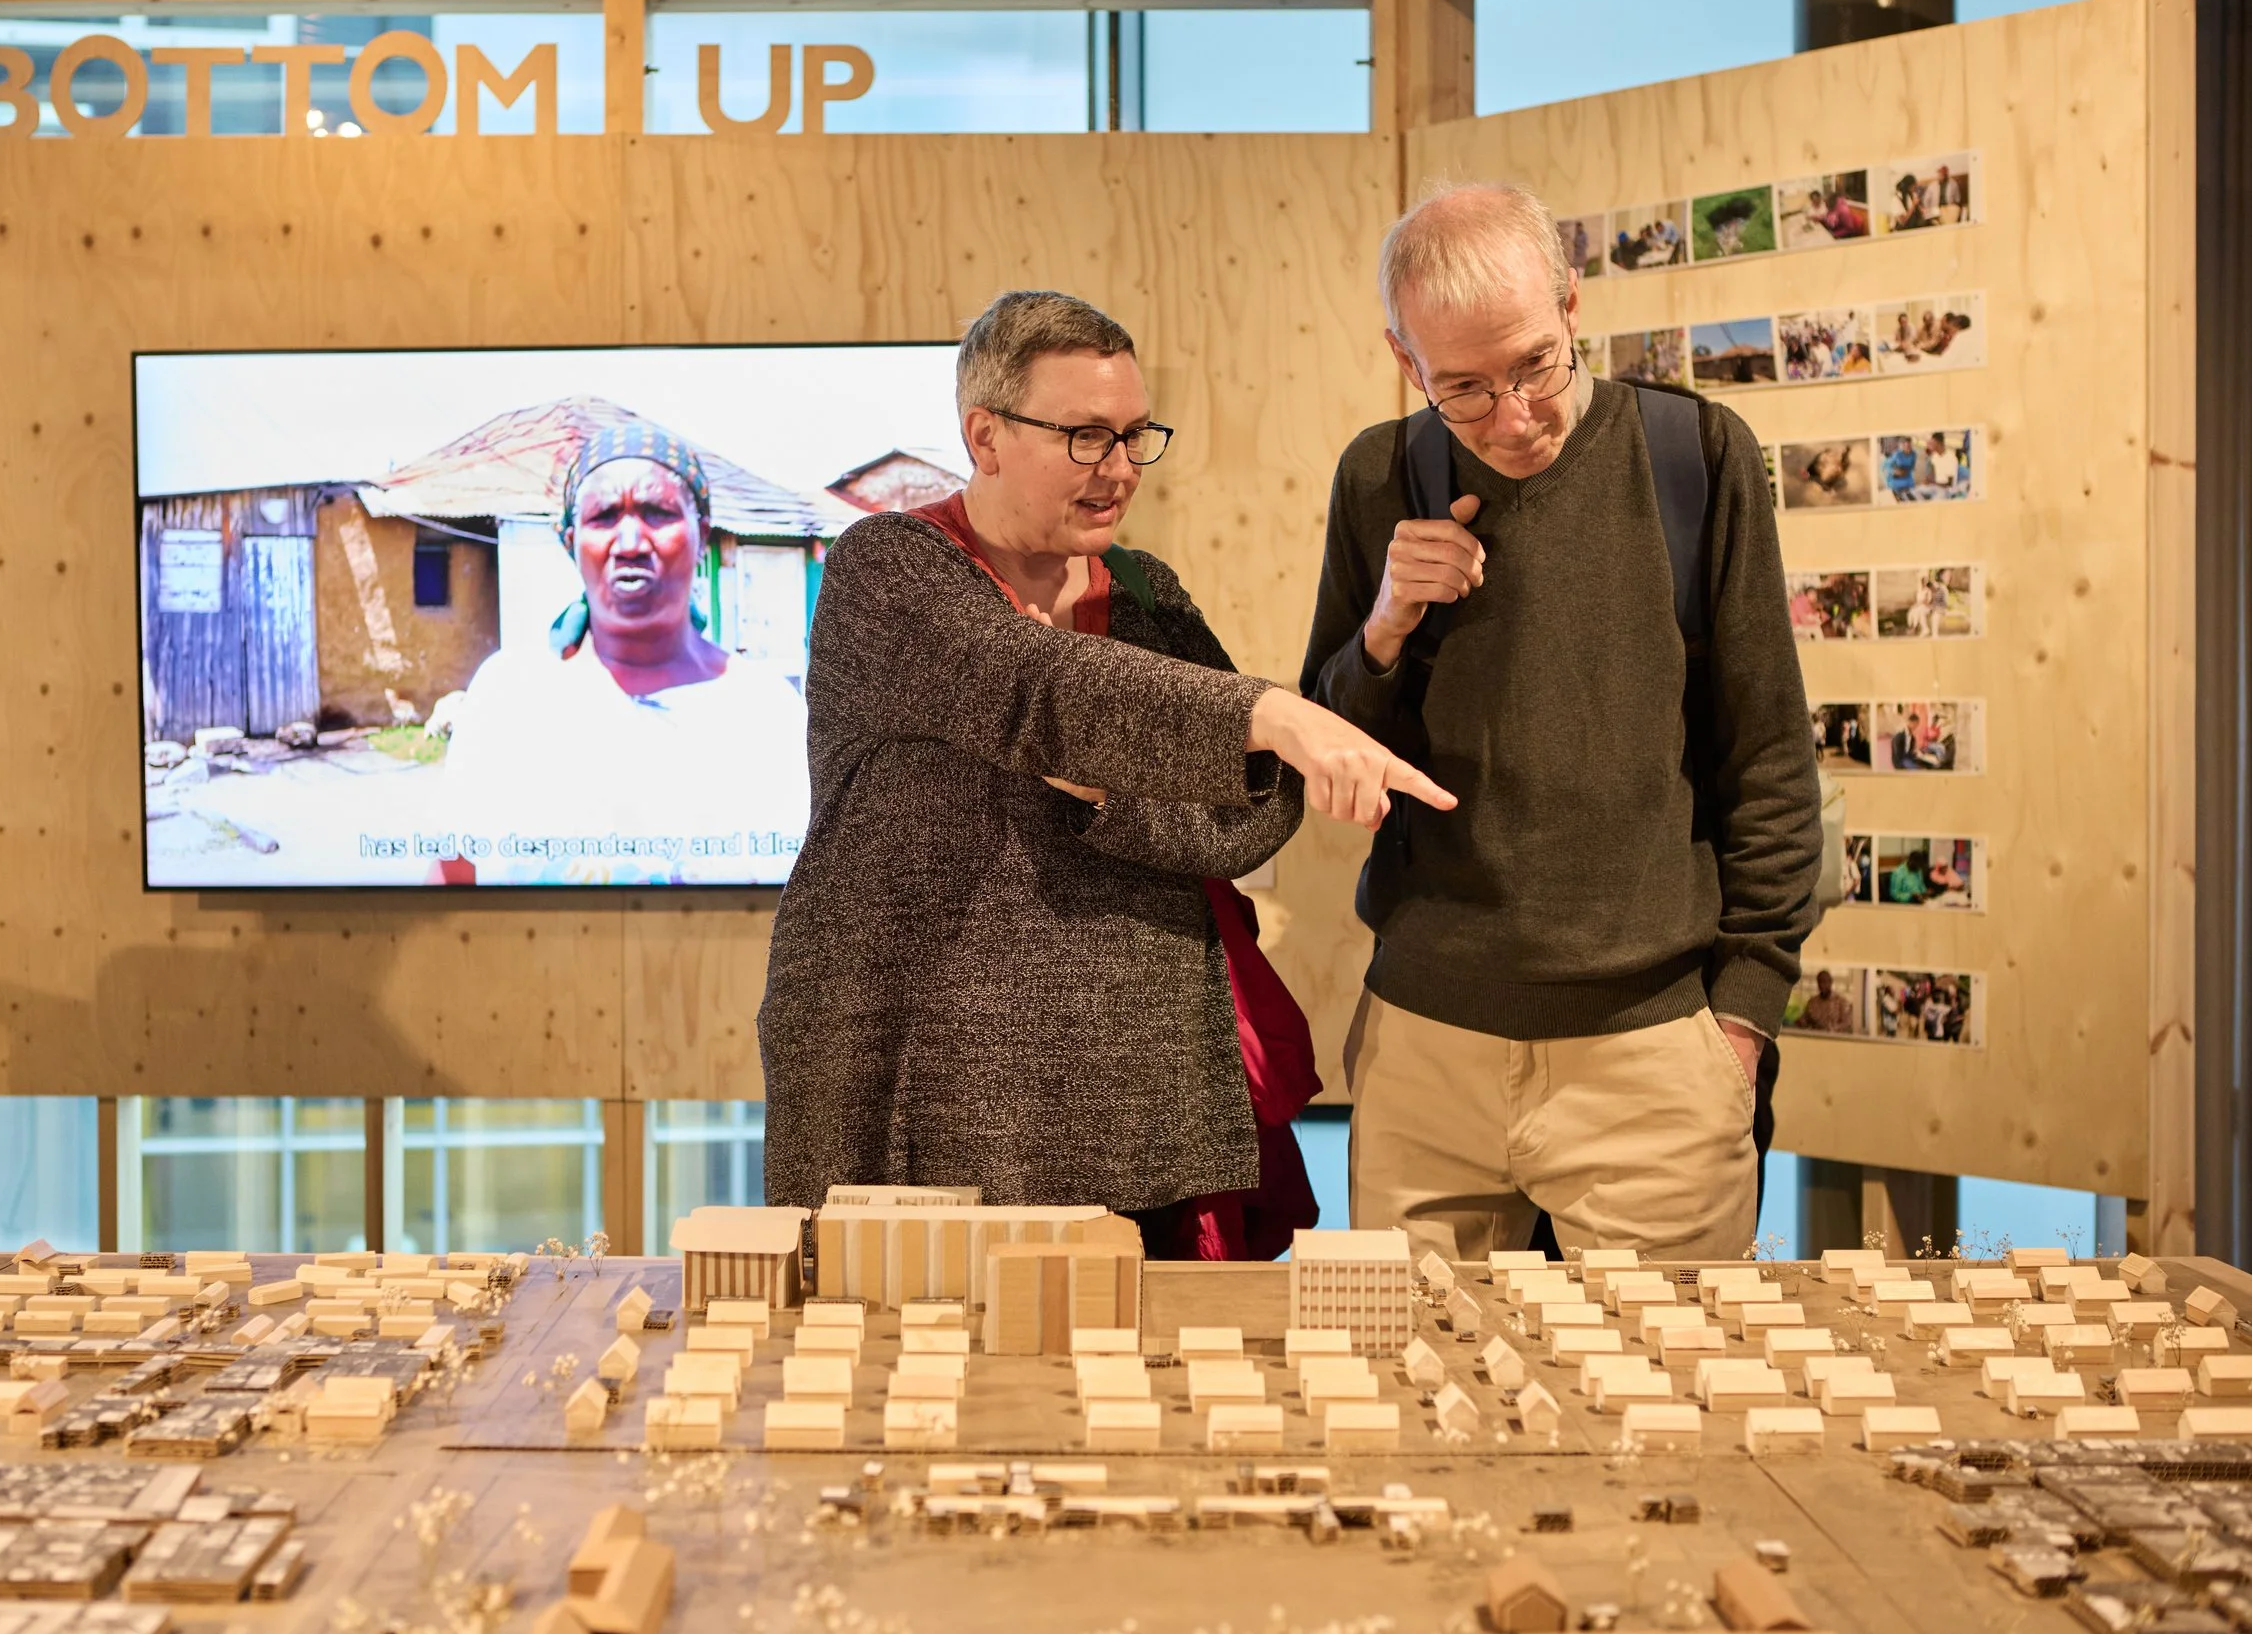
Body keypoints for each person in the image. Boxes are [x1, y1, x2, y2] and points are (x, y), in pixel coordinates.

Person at [760, 290, 1447, 1236]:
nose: (1120, 470)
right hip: (941, 1092)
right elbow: (1033, 681)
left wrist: (1105, 789)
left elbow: (1250, 809)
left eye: (1134, 436)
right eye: (1086, 437)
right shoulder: (887, 569)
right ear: (986, 435)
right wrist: (1269, 711)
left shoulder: (1145, 589)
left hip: (1146, 1091)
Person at [1300, 182, 1821, 1263]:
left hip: (1653, 1047)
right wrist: (1389, 624)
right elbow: (1328, 734)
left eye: (1534, 365)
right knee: (1412, 1398)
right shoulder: (1381, 474)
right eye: (1464, 388)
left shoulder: (1696, 457)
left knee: (1668, 1404)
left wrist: (1743, 1014)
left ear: (1572, 304)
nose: (1513, 416)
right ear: (1405, 360)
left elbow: (1768, 755)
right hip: (1424, 1041)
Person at [431, 423, 811, 885]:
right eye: (604, 516)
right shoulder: (509, 694)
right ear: (570, 541)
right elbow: (451, 885)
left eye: (657, 513)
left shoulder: (764, 710)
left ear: (701, 535)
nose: (630, 543)